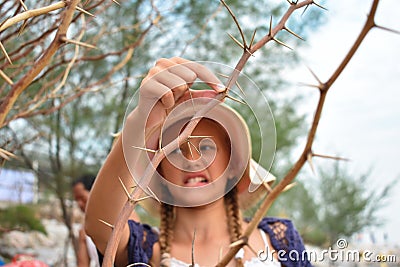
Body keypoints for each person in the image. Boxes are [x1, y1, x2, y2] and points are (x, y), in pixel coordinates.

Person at [85, 57, 311, 267]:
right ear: (160, 174)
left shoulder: (278, 240)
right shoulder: (147, 251)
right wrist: (142, 118)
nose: (191, 160)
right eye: (174, 150)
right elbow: (100, 228)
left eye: (206, 147)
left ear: (233, 165)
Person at [72, 174, 101, 267]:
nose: (79, 203)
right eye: (76, 199)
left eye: (82, 197)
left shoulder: (121, 221)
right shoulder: (84, 232)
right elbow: (82, 264)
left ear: (94, 192)